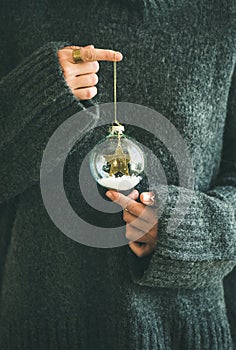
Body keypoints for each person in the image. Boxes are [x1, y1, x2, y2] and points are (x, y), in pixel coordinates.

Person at [0, 0, 236, 348]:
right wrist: (35, 93)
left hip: (183, 331)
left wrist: (187, 229)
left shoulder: (224, 15)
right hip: (41, 328)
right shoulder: (15, 11)